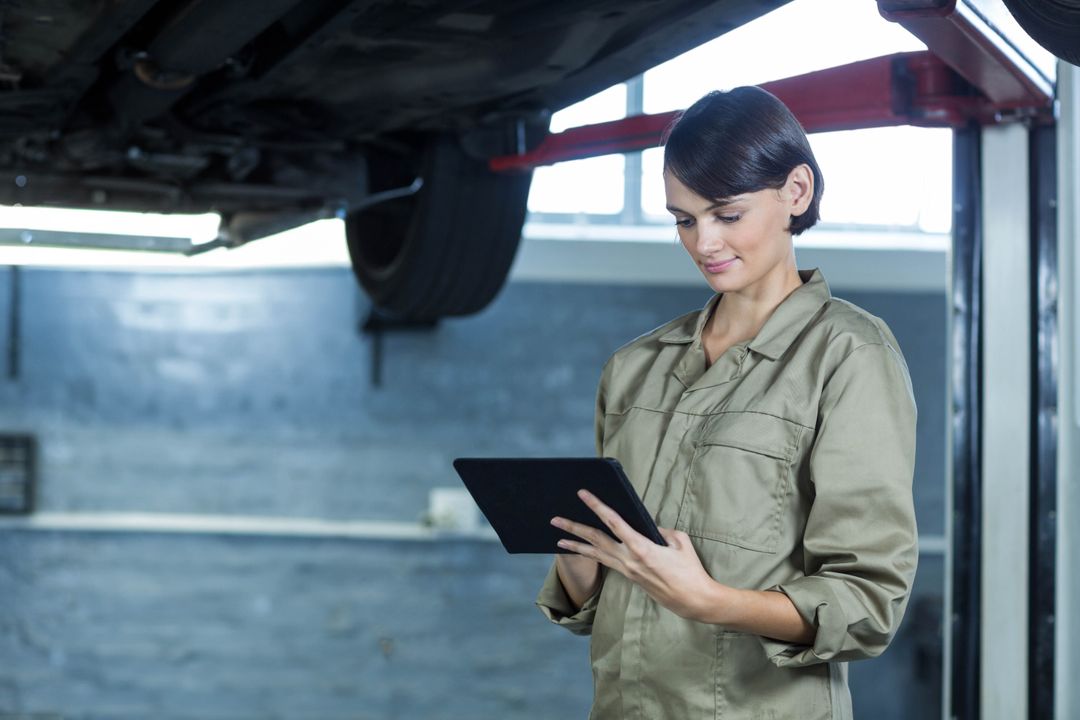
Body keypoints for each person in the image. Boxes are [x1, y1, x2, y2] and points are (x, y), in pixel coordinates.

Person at [535, 86, 918, 720]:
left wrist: (712, 601)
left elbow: (867, 602)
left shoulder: (849, 357)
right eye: (684, 219)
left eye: (726, 214)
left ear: (796, 192)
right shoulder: (636, 369)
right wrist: (582, 570)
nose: (703, 241)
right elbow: (612, 603)